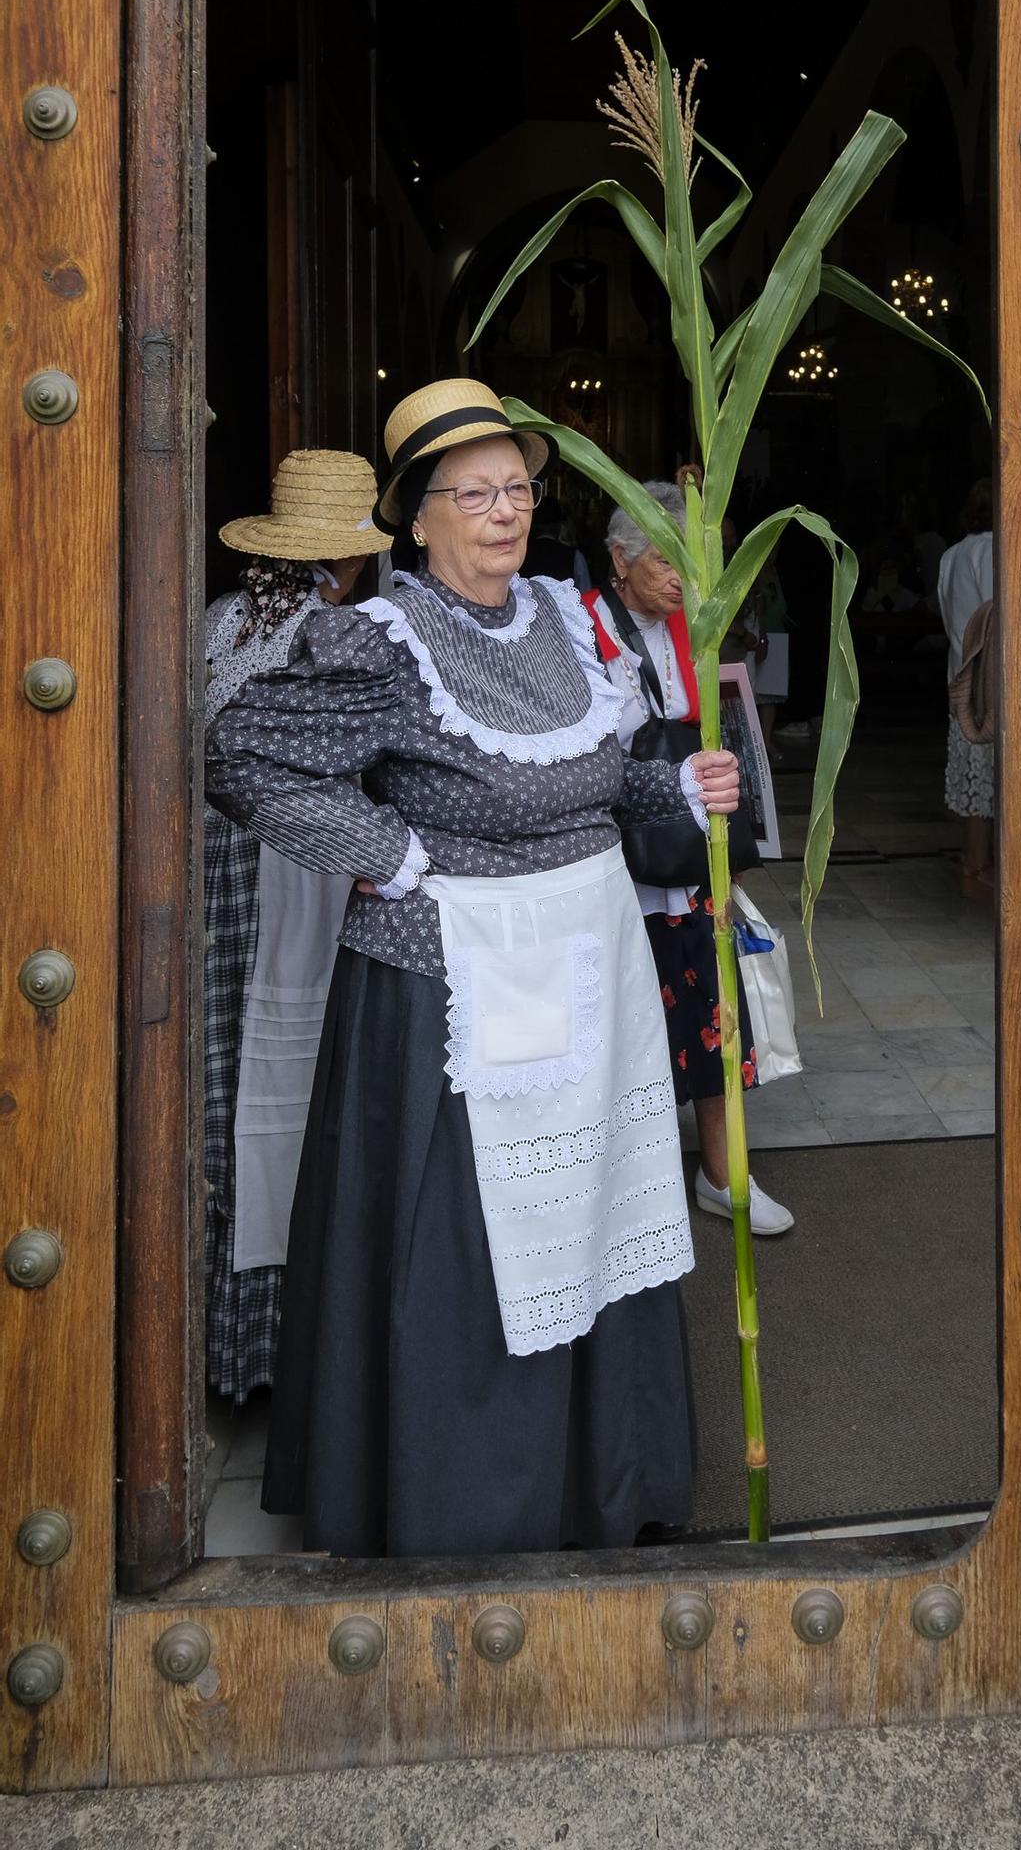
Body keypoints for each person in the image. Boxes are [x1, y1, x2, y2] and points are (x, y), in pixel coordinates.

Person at [206, 380, 741, 1557]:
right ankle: (466, 1506)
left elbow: (598, 778)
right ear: (417, 518)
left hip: (589, 966)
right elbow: (240, 753)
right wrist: (384, 852)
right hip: (449, 988)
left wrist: (675, 787)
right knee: (474, 1245)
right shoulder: (382, 638)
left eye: (516, 488)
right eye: (474, 493)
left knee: (595, 1210)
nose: (503, 512)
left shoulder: (562, 614)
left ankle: (602, 1481)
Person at [203, 449, 383, 1402]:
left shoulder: (213, 627)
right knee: (299, 1100)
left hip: (212, 893)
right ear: (350, 561)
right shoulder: (340, 640)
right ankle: (295, 1355)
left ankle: (222, 1351)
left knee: (222, 1095)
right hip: (299, 878)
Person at [583, 483, 794, 1238]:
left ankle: (722, 1174)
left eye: (690, 562)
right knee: (626, 1022)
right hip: (622, 862)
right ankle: (628, 1186)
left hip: (694, 855)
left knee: (714, 1013)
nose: (680, 578)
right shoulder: (581, 631)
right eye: (663, 561)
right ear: (618, 559)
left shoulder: (696, 627)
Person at [937, 479, 995, 901]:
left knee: (976, 781)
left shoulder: (951, 554)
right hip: (991, 683)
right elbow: (1001, 613)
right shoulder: (993, 549)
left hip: (960, 676)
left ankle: (971, 861)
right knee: (992, 779)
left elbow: (947, 616)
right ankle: (982, 866)